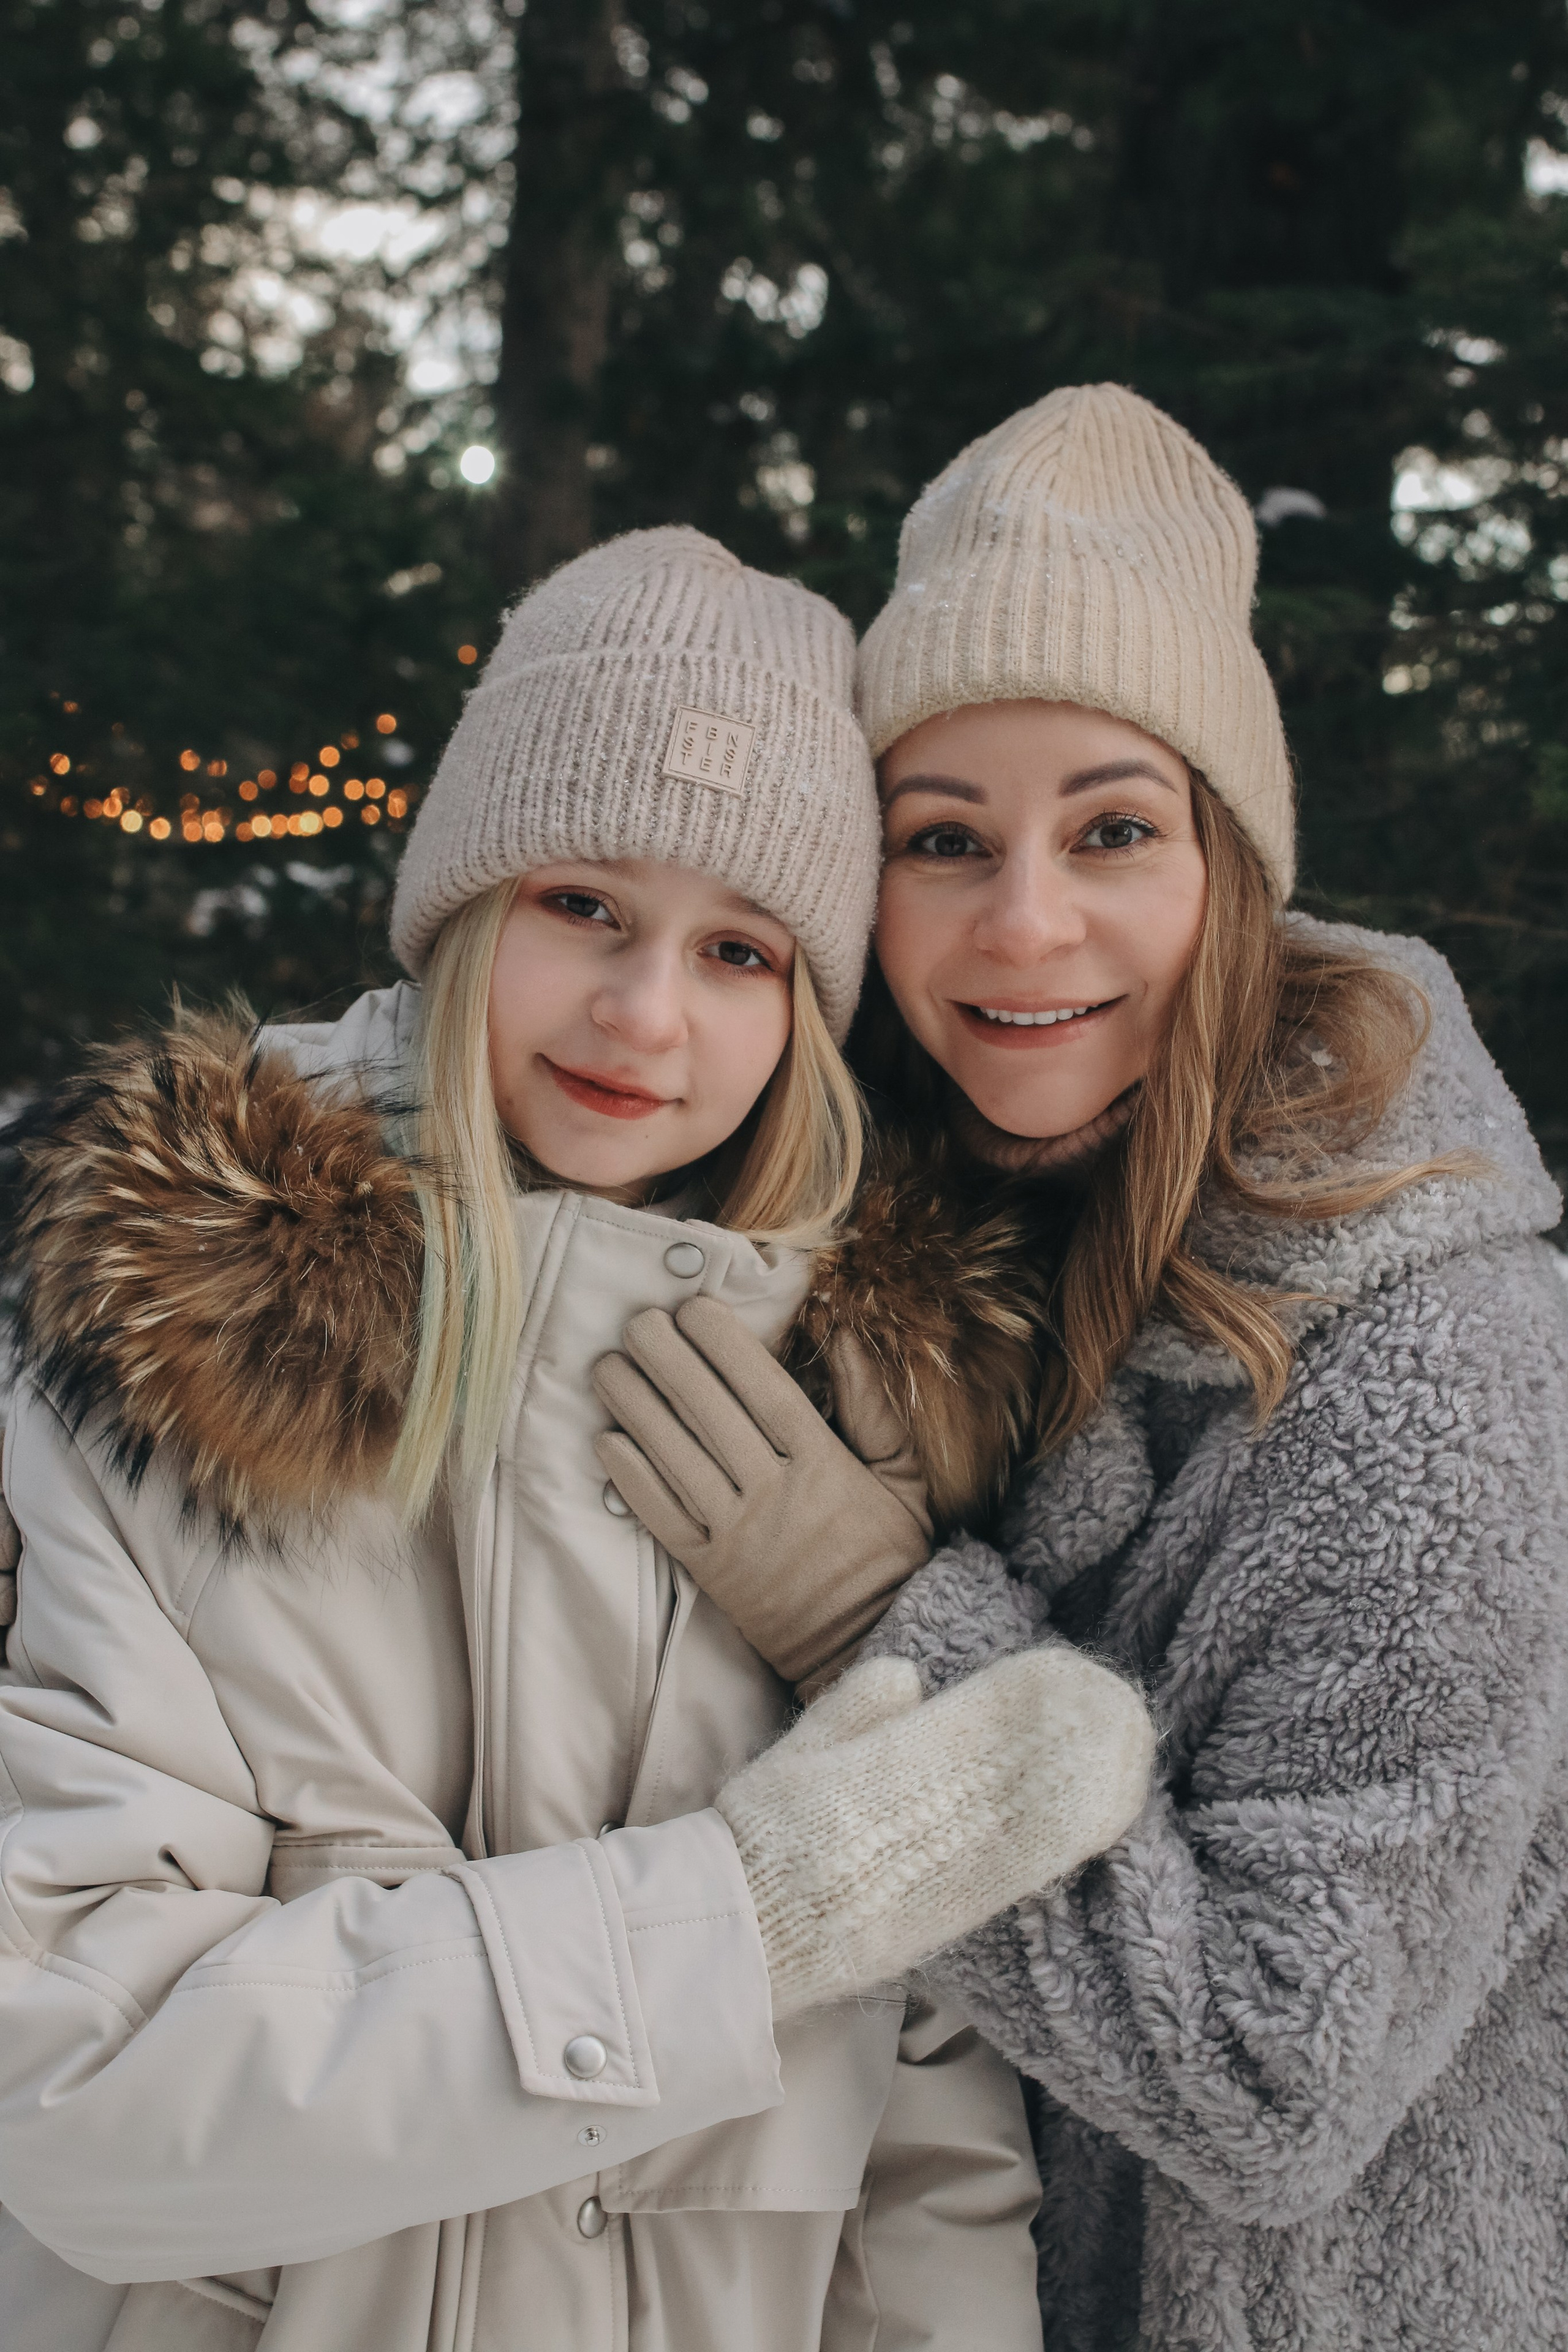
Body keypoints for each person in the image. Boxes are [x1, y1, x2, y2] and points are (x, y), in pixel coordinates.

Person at [0, 527, 1156, 2352]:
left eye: (739, 952)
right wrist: (750, 1916)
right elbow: (73, 2095)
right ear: (467, 906)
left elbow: (928, 2177)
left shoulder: (870, 1416)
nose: (645, 1015)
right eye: (581, 908)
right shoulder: (163, 1351)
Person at [595, 391, 1568, 2351]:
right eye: (942, 840)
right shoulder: (908, 1215)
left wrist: (885, 1631)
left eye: (1112, 829)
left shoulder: (1443, 1370)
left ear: (1232, 871)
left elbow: (1278, 2076)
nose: (1023, 921)